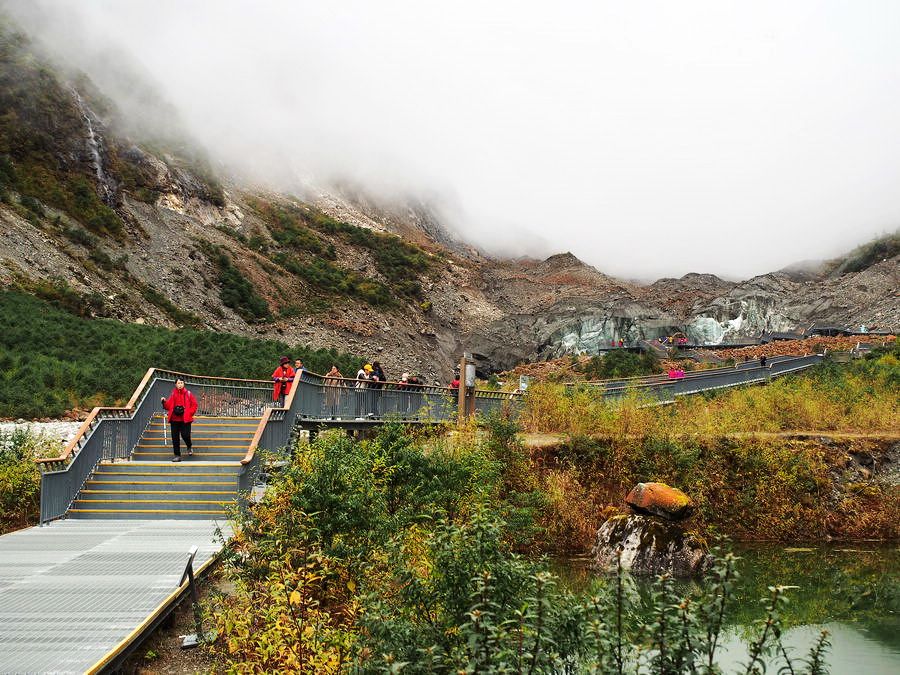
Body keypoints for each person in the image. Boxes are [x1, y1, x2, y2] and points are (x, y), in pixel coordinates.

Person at [161, 378, 198, 462]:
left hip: (185, 419)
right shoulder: (173, 394)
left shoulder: (188, 394)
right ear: (176, 385)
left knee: (186, 435)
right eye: (178, 383)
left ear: (184, 384)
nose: (180, 384)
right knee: (175, 438)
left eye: (181, 383)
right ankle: (177, 455)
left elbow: (194, 405)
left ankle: (189, 445)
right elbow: (168, 406)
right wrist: (164, 401)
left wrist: (189, 413)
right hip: (174, 419)